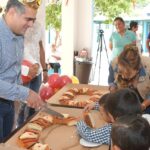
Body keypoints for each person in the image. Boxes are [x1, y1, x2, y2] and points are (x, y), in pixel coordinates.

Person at [0, 0, 44, 142]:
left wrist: (22, 97)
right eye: (28, 19)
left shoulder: (19, 35)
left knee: (7, 142)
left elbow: (13, 71)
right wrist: (25, 93)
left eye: (33, 20)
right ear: (12, 12)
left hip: (9, 104)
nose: (31, 25)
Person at [76, 88, 142, 145]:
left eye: (102, 114)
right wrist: (96, 105)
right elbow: (109, 107)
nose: (101, 115)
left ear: (111, 117)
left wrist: (80, 122)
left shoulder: (114, 130)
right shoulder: (139, 121)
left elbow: (89, 135)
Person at [17, 20, 48, 127]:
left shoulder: (39, 26)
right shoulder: (18, 24)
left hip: (37, 72)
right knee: (22, 104)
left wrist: (44, 70)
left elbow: (40, 49)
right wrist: (27, 68)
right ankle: (20, 129)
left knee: (33, 105)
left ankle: (31, 128)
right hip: (24, 72)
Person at [108, 44, 150, 114]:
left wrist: (143, 105)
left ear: (137, 69)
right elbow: (111, 82)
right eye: (121, 72)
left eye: (128, 74)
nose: (123, 77)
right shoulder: (114, 63)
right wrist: (113, 90)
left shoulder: (148, 66)